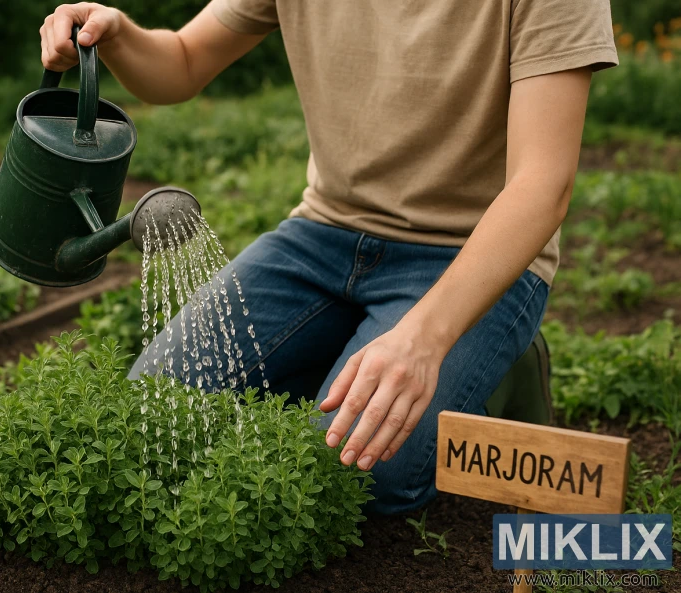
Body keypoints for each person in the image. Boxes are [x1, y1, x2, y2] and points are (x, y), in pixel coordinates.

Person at [40, 1, 617, 514]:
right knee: (155, 410)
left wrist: (423, 341)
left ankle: (490, 369)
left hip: (467, 257)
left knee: (361, 475)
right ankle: (354, 356)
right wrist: (115, 35)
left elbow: (542, 184)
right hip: (322, 236)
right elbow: (183, 62)